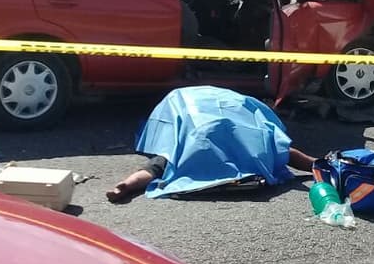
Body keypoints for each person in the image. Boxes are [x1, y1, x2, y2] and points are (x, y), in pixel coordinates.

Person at [106, 86, 316, 203]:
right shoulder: (238, 103)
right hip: (239, 140)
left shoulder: (177, 101)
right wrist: (314, 164)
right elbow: (285, 151)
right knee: (279, 151)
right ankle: (318, 165)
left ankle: (125, 185)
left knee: (160, 164)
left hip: (194, 140)